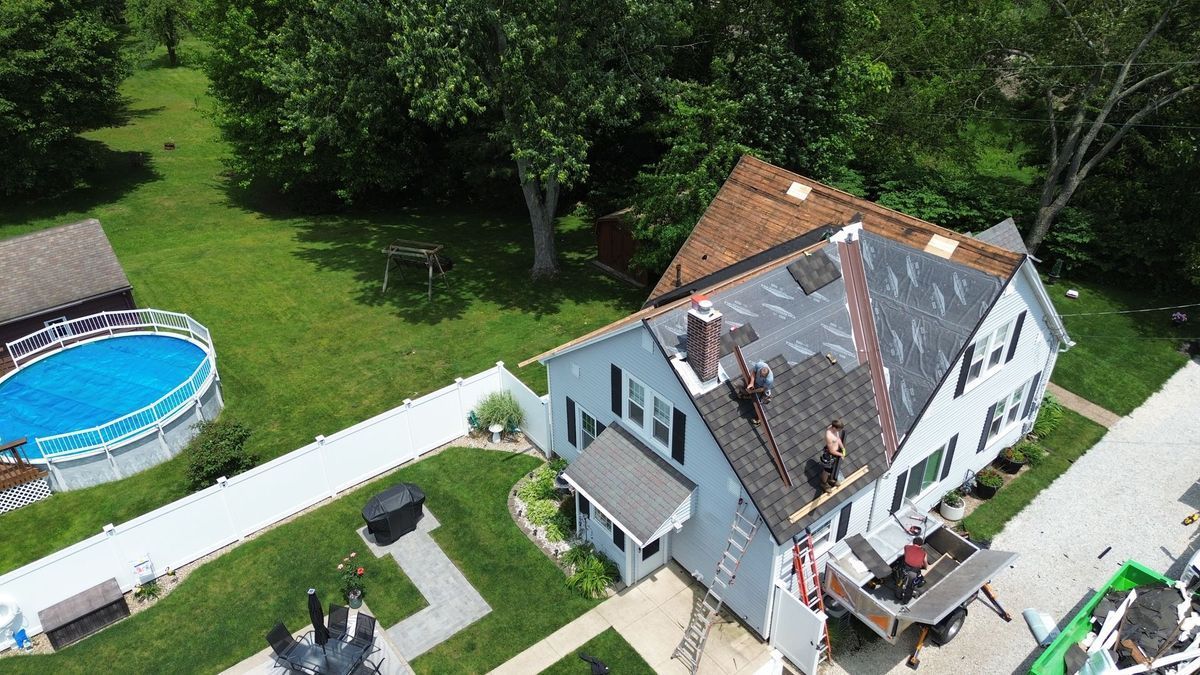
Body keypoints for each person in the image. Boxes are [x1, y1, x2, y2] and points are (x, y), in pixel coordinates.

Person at [820, 419, 847, 491]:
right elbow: (831, 450)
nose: (838, 431)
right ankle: (824, 483)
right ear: (834, 428)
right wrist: (840, 454)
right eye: (838, 430)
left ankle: (831, 479)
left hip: (836, 453)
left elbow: (838, 439)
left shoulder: (835, 430)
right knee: (827, 470)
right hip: (829, 455)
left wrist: (842, 448)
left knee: (833, 468)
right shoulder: (829, 435)